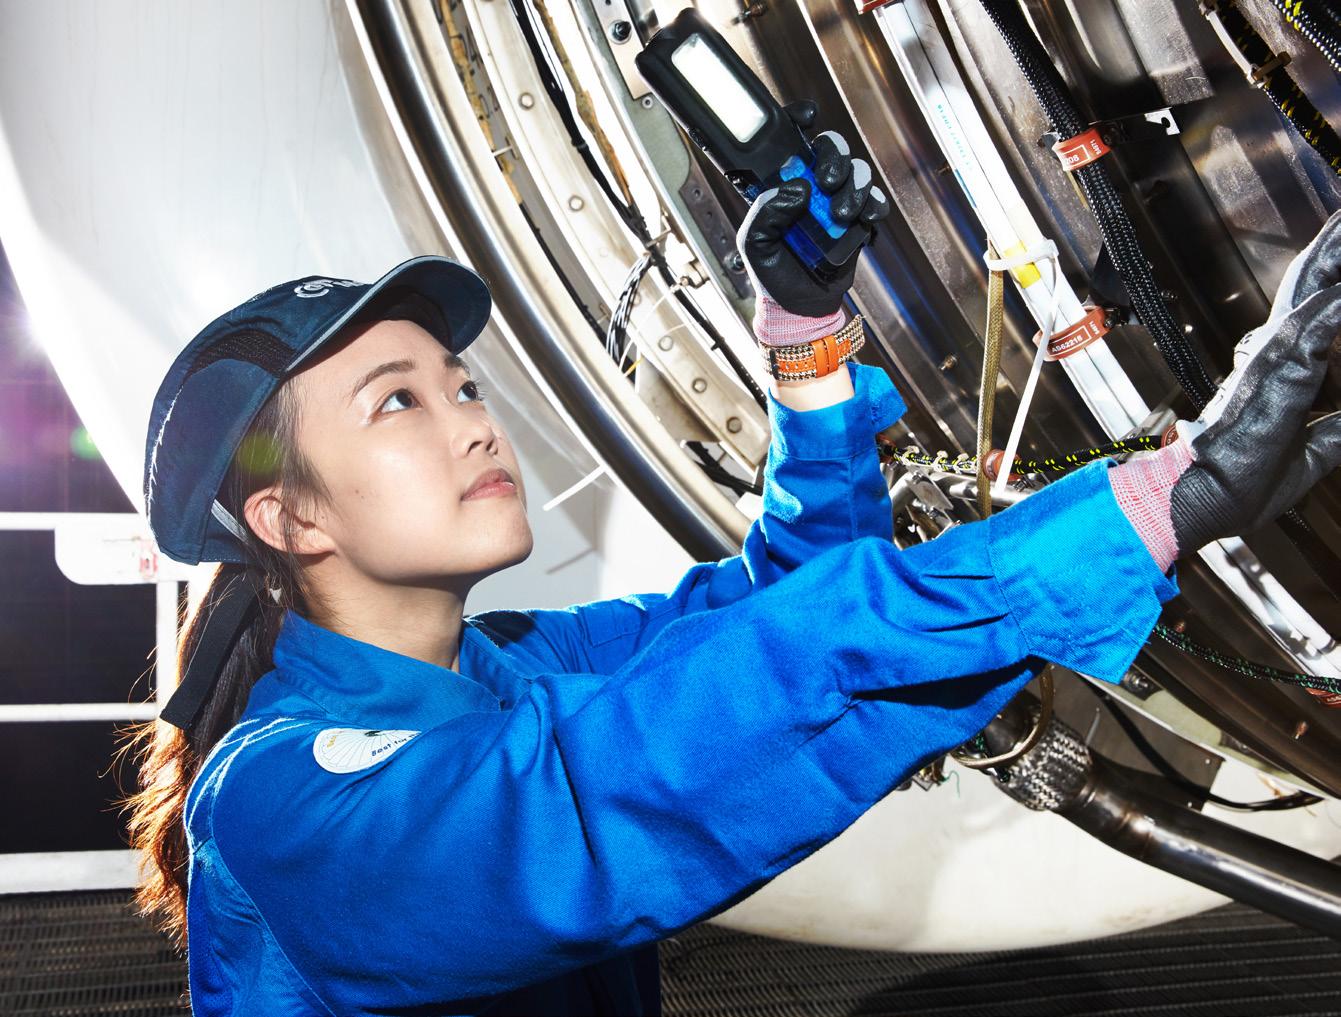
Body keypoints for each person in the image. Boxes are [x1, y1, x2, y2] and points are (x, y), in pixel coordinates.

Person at [119, 113, 1341, 1014]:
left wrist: (805, 345)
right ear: (290, 520)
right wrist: (1153, 503)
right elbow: (587, 794)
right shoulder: (276, 798)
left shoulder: (518, 666)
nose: (476, 424)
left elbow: (777, 610)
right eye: (398, 402)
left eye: (463, 384)